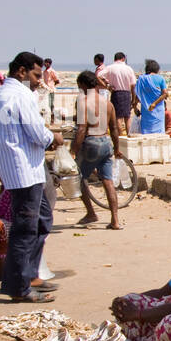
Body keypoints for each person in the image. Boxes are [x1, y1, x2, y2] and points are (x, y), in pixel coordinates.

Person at [0, 51, 58, 303]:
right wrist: (53, 138)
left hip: (16, 170)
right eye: (37, 75)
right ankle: (19, 287)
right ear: (21, 72)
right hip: (25, 172)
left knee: (43, 219)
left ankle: (30, 274)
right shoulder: (21, 95)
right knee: (24, 230)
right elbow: (37, 133)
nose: (39, 80)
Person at [70, 70, 121, 230]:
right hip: (106, 142)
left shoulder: (82, 102)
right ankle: (115, 220)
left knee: (78, 179)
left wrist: (73, 151)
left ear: (83, 85)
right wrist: (117, 149)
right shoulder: (107, 103)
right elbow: (114, 129)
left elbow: (81, 129)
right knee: (108, 181)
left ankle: (91, 213)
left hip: (91, 143)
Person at [99, 51, 136, 135]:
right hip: (126, 93)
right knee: (127, 117)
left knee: (118, 117)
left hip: (116, 93)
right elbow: (133, 85)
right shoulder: (128, 68)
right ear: (123, 59)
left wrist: (107, 86)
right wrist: (133, 98)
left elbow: (98, 76)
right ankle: (128, 135)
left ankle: (120, 137)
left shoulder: (110, 67)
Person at [134, 59, 168, 135]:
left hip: (146, 109)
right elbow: (165, 94)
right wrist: (154, 104)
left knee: (146, 131)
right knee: (158, 132)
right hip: (158, 109)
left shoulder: (142, 79)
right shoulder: (160, 78)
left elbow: (138, 94)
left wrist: (135, 106)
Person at [40, 58, 60, 124]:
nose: (45, 64)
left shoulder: (52, 71)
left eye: (46, 63)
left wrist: (52, 86)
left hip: (51, 90)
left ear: (49, 63)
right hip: (46, 90)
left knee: (51, 105)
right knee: (45, 105)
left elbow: (57, 80)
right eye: (44, 63)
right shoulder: (44, 72)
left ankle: (52, 119)